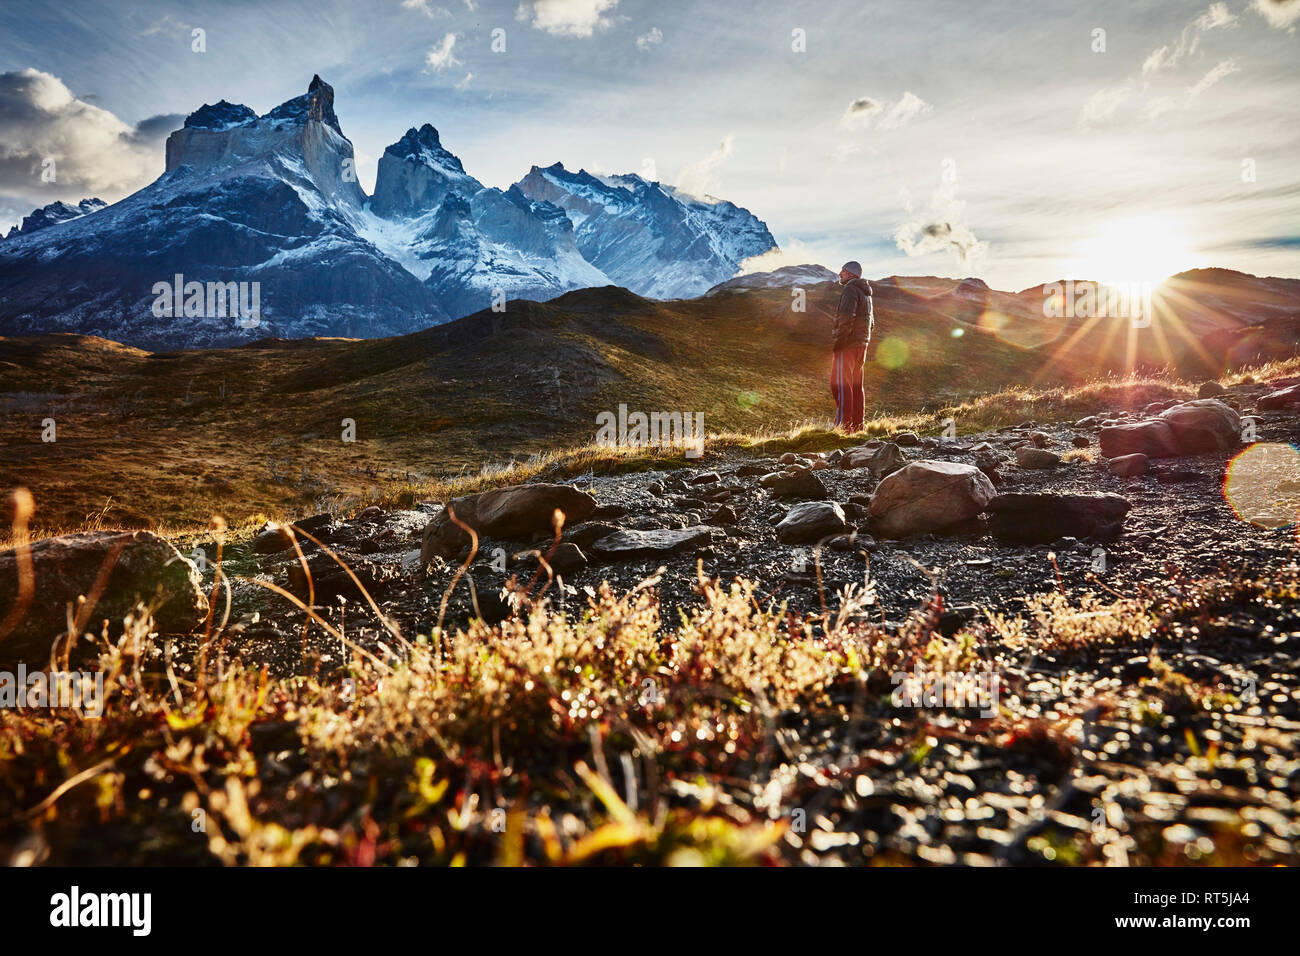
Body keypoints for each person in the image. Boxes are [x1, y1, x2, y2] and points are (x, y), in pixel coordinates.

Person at [829, 260, 873, 432]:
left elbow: (847, 317)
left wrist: (839, 343)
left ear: (850, 274)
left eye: (843, 271)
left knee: (840, 383)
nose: (840, 274)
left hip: (848, 344)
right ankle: (857, 426)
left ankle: (843, 427)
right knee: (855, 384)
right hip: (862, 345)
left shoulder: (850, 289)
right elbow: (871, 321)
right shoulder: (867, 293)